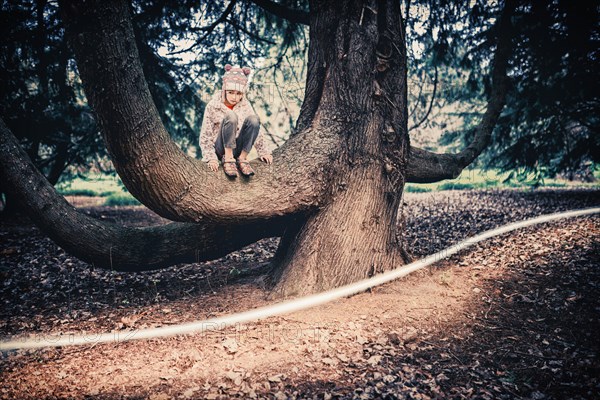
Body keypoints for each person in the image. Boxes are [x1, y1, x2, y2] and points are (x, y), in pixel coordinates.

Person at [199, 64, 273, 178]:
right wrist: (211, 158)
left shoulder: (245, 105)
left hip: (238, 148)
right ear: (224, 90)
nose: (234, 97)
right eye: (231, 92)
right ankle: (228, 159)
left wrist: (264, 151)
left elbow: (256, 130)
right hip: (221, 148)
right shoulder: (212, 106)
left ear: (243, 94)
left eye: (238, 93)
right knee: (231, 116)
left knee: (254, 119)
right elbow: (205, 136)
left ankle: (242, 158)